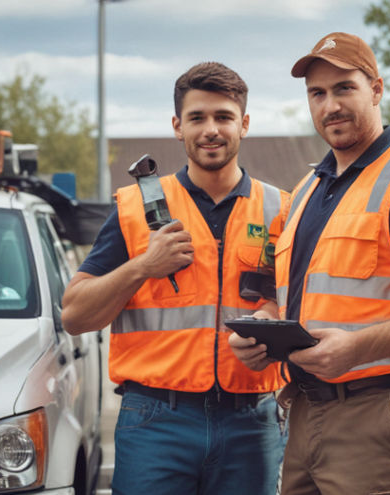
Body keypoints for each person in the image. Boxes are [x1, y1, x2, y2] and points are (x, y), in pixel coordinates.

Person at [229, 32, 390, 494]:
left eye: (344, 88)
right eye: (317, 93)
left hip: (380, 415)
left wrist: (355, 348)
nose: (330, 106)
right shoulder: (307, 191)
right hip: (304, 412)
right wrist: (265, 329)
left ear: (377, 89)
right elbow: (293, 298)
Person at [62, 62, 289, 495]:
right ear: (176, 126)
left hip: (252, 419)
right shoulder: (134, 209)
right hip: (156, 422)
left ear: (244, 124)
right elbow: (74, 315)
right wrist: (142, 267)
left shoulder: (282, 210)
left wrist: (271, 319)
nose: (211, 130)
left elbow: (299, 305)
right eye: (197, 117)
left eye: (223, 117)